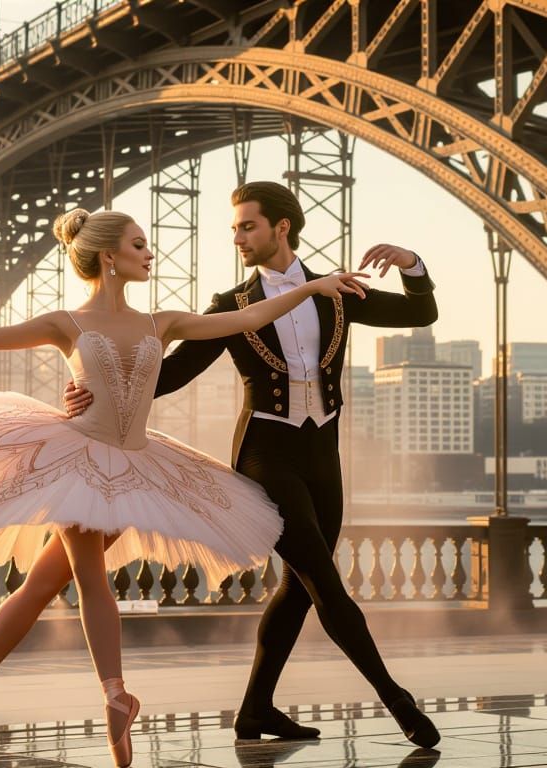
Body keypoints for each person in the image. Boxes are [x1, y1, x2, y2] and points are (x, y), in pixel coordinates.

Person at [0, 207, 370, 766]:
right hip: (119, 469)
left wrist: (312, 287)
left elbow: (245, 319)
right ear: (108, 257)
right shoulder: (122, 324)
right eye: (139, 245)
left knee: (83, 582)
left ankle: (113, 694)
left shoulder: (144, 322)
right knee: (47, 584)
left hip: (104, 468)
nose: (149, 253)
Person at [65, 181, 441, 748]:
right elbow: (166, 375)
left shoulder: (334, 293)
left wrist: (410, 261)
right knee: (325, 584)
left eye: (247, 226)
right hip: (265, 457)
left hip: (323, 457)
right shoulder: (230, 306)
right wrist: (91, 389)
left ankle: (255, 710)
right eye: (234, 228)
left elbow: (422, 311)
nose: (236, 237)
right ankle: (398, 700)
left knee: (298, 585)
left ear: (280, 228)